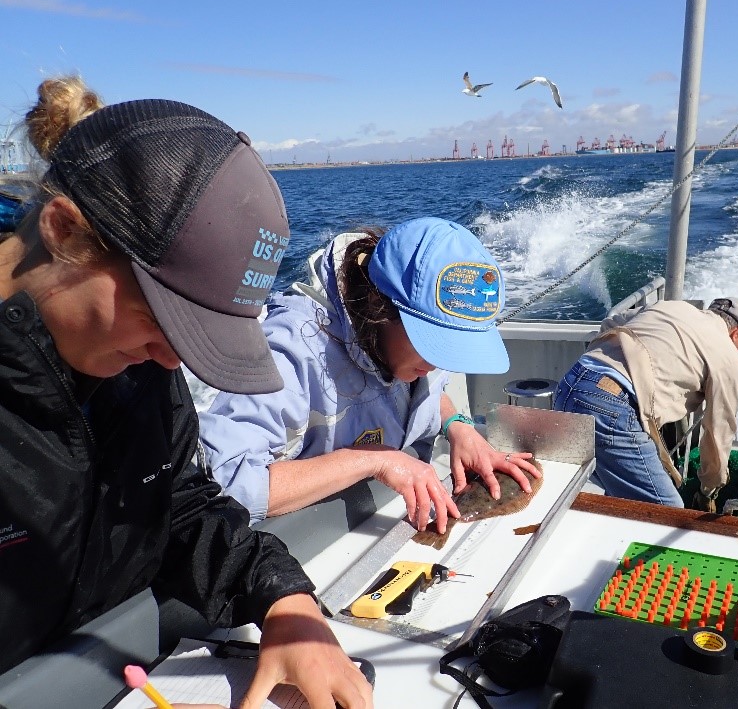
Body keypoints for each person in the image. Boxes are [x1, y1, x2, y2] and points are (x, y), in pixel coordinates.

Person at [0, 77, 372, 708]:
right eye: (166, 318)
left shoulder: (136, 364)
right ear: (64, 229)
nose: (175, 358)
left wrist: (284, 600)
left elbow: (176, 504)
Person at [199, 217, 540, 533]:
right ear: (381, 307)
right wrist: (372, 461)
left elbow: (427, 388)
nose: (436, 363)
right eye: (432, 343)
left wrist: (457, 427)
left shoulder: (400, 349)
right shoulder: (291, 352)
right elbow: (227, 484)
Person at [552, 296, 738, 509]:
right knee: (667, 511)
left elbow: (610, 324)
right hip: (611, 406)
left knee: (621, 494)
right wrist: (708, 490)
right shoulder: (728, 357)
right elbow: (719, 432)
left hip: (571, 383)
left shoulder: (671, 306)